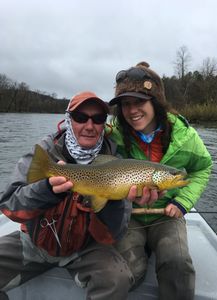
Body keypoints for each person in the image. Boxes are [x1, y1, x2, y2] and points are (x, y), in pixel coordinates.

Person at [0, 91, 136, 300]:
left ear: (104, 124)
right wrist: (45, 190)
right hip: (32, 243)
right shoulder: (44, 152)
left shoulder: (118, 166)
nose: (89, 126)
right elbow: (9, 204)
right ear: (68, 120)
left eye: (98, 119)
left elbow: (115, 234)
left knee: (117, 279)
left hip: (85, 249)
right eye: (81, 118)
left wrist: (112, 200)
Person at [106, 62, 212, 300]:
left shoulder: (185, 136)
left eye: (139, 102)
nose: (132, 110)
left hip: (167, 214)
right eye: (125, 104)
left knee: (177, 264)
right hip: (128, 214)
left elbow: (203, 168)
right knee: (126, 273)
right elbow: (83, 136)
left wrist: (183, 202)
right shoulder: (112, 133)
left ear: (155, 101)